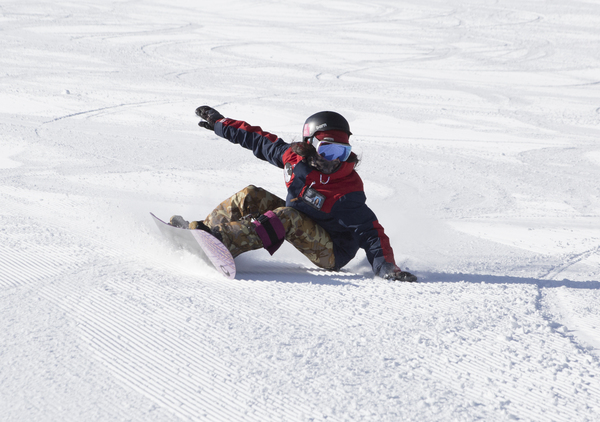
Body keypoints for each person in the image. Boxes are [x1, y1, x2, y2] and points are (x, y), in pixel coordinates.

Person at [170, 105, 417, 282]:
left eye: (342, 152)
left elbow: (370, 232)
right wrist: (220, 124)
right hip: (301, 218)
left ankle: (222, 241)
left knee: (288, 217)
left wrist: (387, 267)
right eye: (328, 150)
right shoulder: (294, 158)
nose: (335, 160)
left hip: (332, 251)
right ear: (310, 144)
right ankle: (203, 232)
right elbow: (258, 140)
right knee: (251, 194)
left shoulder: (346, 188)